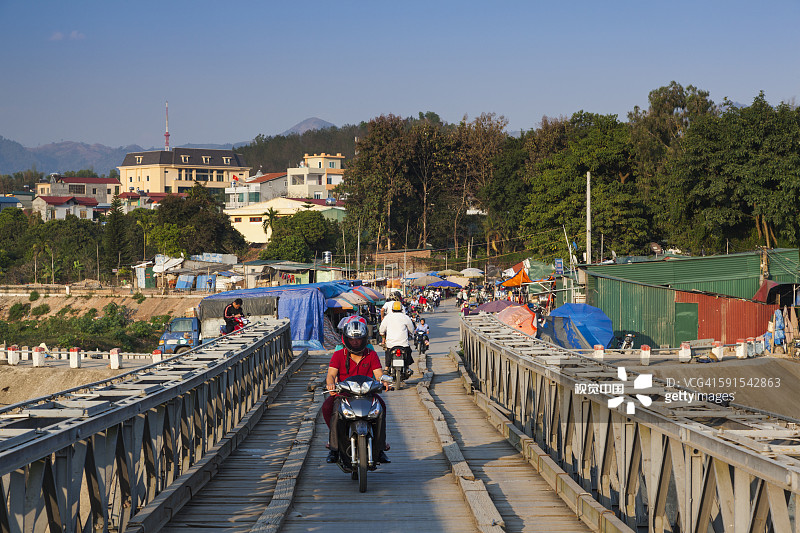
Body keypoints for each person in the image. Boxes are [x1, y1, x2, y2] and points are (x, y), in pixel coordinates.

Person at [323, 320, 390, 464]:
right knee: (330, 407)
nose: (355, 342)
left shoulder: (371, 354)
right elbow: (331, 374)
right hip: (344, 393)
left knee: (382, 407)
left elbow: (378, 374)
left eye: (359, 339)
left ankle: (380, 447)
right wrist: (330, 384)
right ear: (346, 339)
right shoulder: (339, 354)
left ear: (364, 339)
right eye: (352, 339)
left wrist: (383, 382)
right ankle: (334, 447)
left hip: (367, 393)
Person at [379, 300, 415, 373]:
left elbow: (381, 330)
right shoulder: (405, 317)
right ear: (401, 310)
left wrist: (382, 334)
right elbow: (411, 329)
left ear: (392, 310)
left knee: (387, 353)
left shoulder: (387, 317)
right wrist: (412, 334)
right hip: (403, 344)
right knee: (408, 352)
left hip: (391, 344)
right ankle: (407, 367)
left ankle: (386, 368)